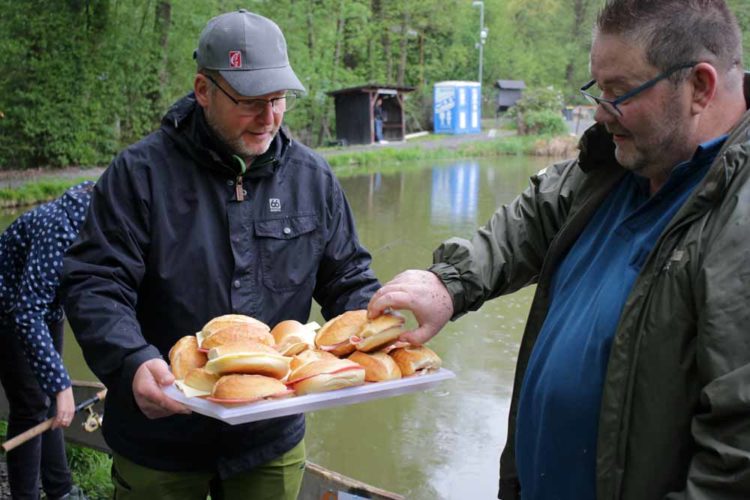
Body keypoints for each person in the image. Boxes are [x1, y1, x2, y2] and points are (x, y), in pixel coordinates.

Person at [368, 1, 750, 499]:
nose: (599, 111)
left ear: (699, 86)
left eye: (619, 92)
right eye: (598, 88)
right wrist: (448, 283)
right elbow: (531, 218)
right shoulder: (619, 164)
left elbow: (737, 460)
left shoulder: (738, 217)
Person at [60, 9, 379, 500]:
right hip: (159, 437)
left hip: (270, 435)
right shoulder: (138, 175)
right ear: (204, 91)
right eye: (251, 101)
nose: (269, 117)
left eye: (278, 100)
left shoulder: (312, 179)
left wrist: (380, 327)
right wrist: (130, 360)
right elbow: (96, 284)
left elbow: (348, 279)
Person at [0, 181, 93, 500]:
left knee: (52, 399)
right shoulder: (62, 228)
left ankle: (60, 489)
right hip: (9, 310)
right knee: (30, 405)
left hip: (46, 308)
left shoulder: (103, 224)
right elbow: (27, 313)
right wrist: (60, 385)